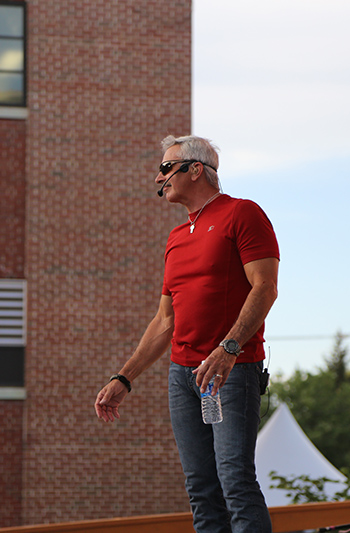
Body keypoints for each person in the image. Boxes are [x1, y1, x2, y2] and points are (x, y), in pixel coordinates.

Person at [95, 135, 279, 533]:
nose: (159, 176)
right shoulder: (176, 238)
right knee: (201, 488)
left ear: (196, 169)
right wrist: (124, 377)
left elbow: (265, 287)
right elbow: (165, 321)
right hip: (183, 377)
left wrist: (229, 349)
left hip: (230, 370)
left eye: (166, 167)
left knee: (235, 482)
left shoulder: (242, 214)